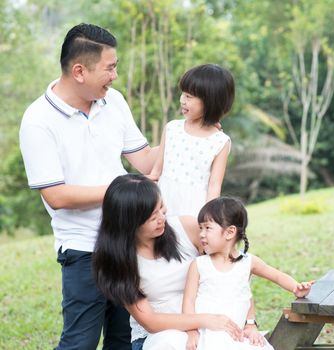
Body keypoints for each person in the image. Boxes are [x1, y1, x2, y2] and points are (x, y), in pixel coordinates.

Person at [19, 23, 159, 349]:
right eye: (110, 68)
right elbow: (56, 196)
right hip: (84, 251)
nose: (115, 76)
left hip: (128, 243)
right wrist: (121, 189)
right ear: (79, 71)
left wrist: (185, 127)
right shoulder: (38, 120)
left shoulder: (115, 102)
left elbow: (147, 163)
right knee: (80, 343)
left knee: (126, 341)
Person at [92, 174, 246, 350]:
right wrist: (206, 319)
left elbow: (235, 267)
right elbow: (151, 321)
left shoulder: (187, 228)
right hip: (158, 335)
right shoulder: (118, 261)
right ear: (129, 223)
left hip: (208, 327)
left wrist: (249, 321)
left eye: (162, 208)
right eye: (152, 217)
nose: (162, 218)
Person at [180, 197, 314, 350]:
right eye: (200, 228)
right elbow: (188, 301)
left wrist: (296, 287)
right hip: (206, 333)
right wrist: (191, 332)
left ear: (230, 232)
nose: (201, 234)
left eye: (207, 228)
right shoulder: (199, 265)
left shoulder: (248, 262)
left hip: (237, 335)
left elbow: (275, 276)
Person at [148, 64, 234, 217]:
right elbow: (156, 172)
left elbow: (214, 186)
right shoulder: (171, 128)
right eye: (183, 94)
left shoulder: (220, 142)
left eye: (189, 97)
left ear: (210, 101)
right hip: (162, 209)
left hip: (194, 213)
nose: (182, 100)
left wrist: (207, 220)